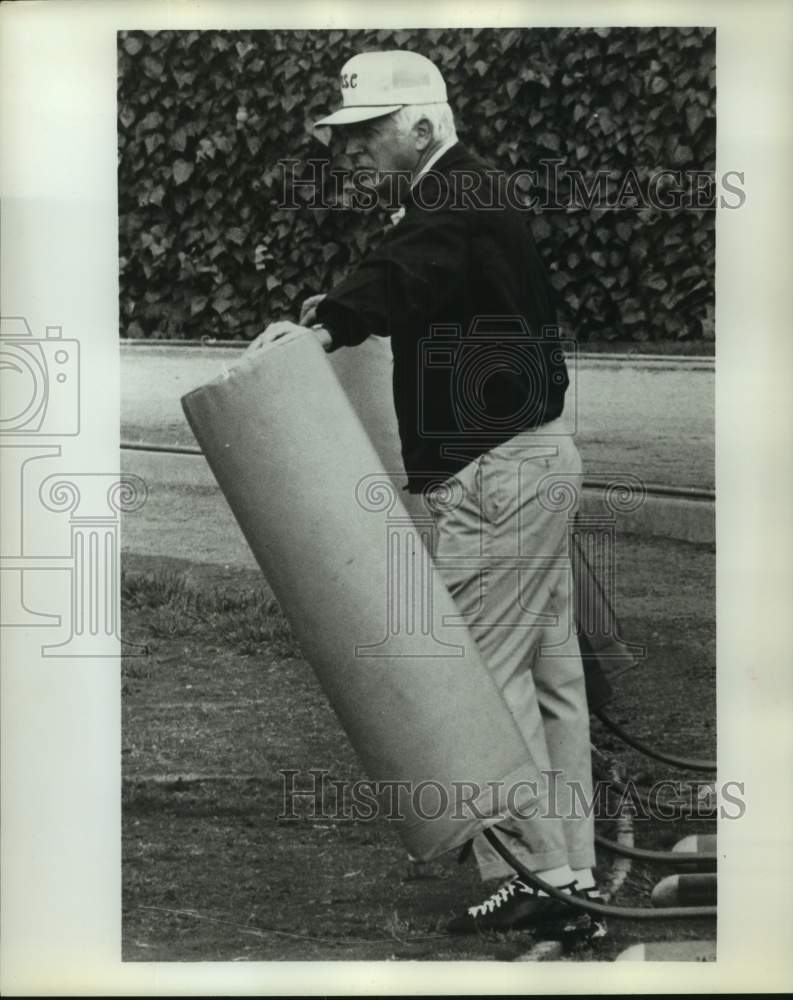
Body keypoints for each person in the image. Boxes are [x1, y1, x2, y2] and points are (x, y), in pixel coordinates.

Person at [251, 49, 605, 939]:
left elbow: (400, 274)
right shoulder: (468, 195)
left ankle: (535, 875)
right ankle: (572, 866)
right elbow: (416, 279)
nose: (352, 150)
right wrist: (343, 307)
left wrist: (321, 325)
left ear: (422, 124)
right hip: (532, 458)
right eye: (345, 136)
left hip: (493, 474)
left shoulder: (451, 199)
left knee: (481, 683)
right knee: (549, 676)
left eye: (367, 132)